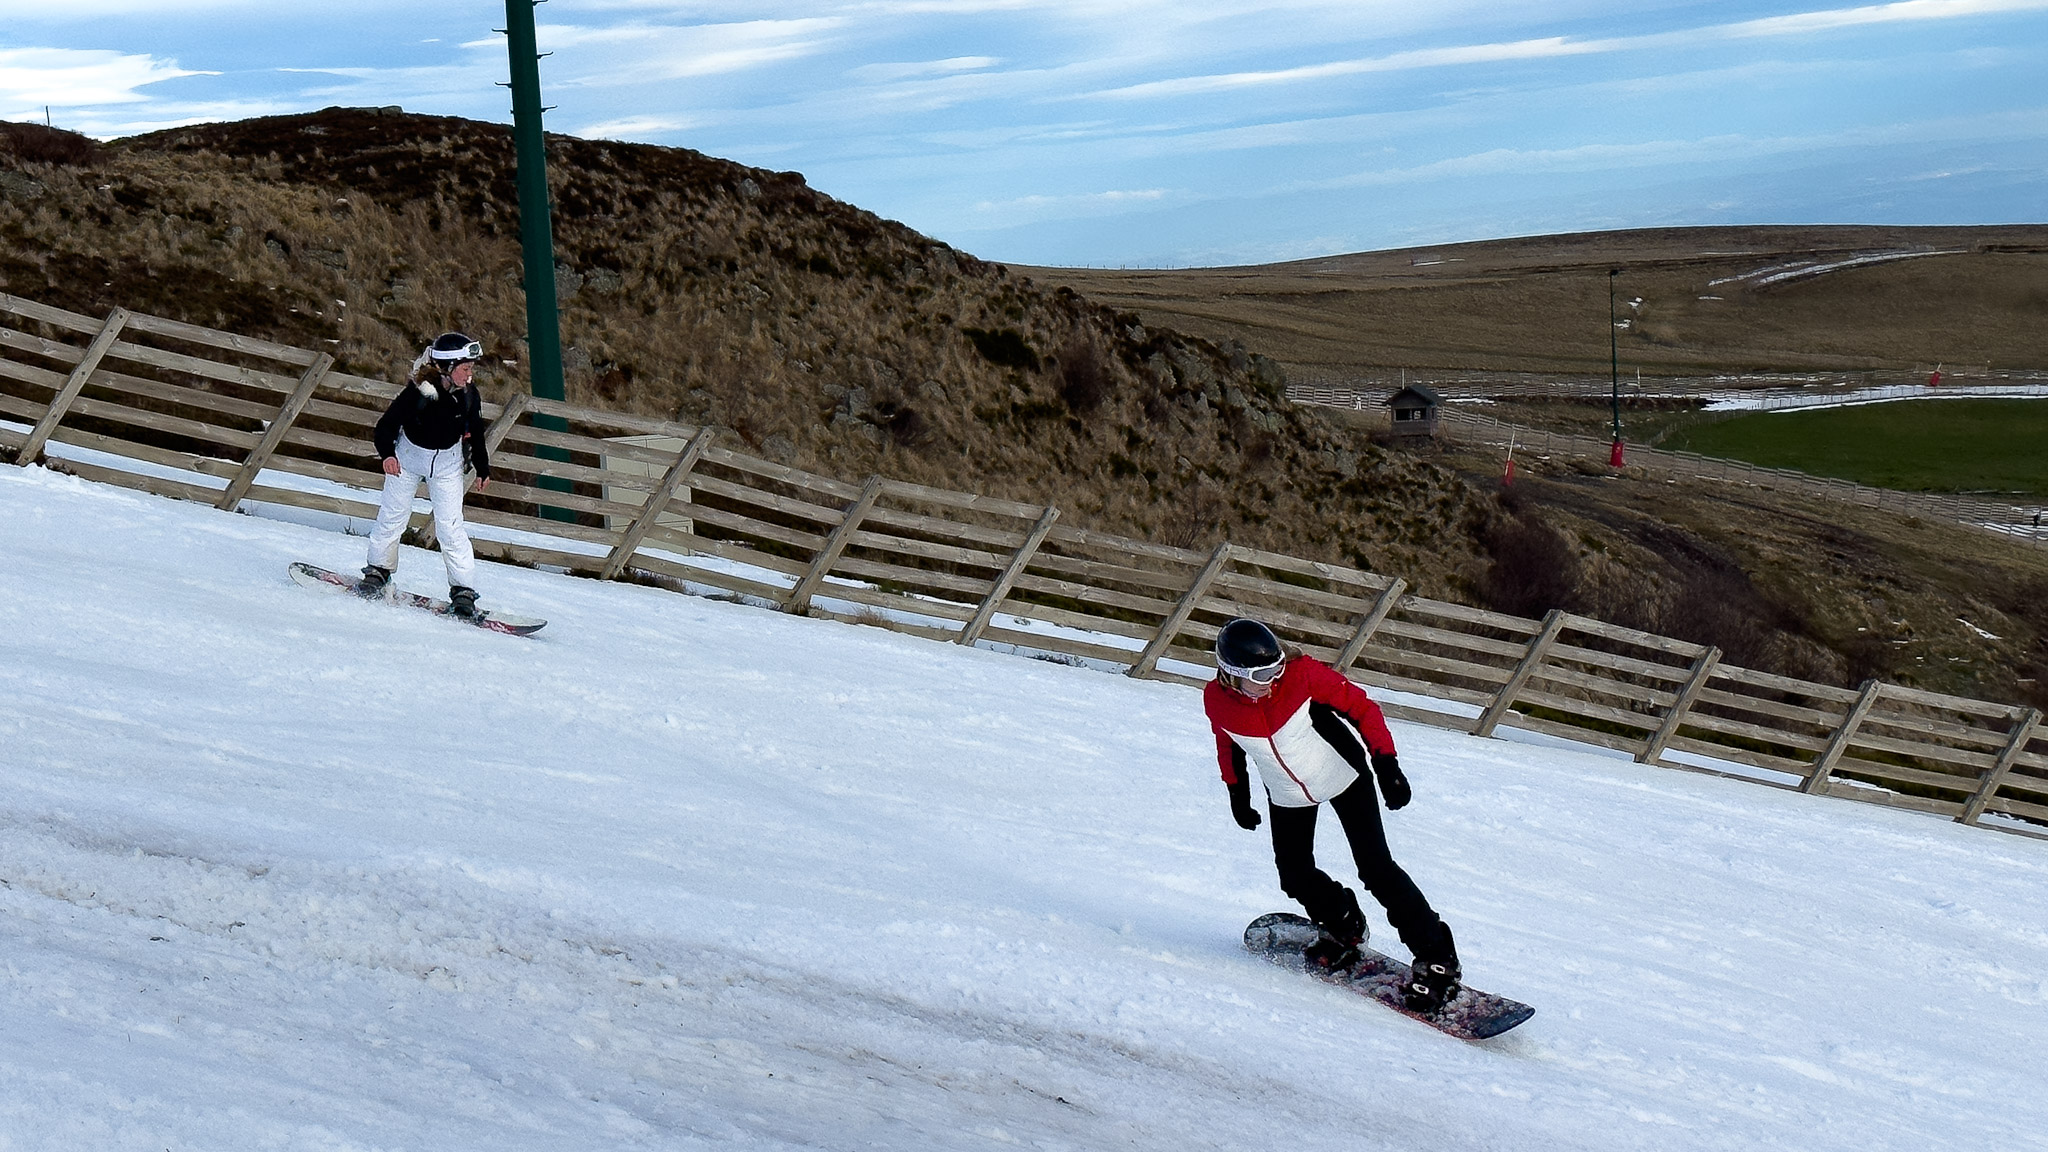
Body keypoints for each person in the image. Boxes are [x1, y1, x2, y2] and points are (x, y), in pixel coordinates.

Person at [1202, 617, 1463, 1012]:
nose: (1273, 679)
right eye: (1261, 674)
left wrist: (1386, 763)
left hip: (1342, 775)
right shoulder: (1215, 699)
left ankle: (1438, 958)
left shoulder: (1304, 675)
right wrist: (1237, 791)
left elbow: (1362, 709)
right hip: (1288, 791)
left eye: (1276, 668)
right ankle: (1345, 926)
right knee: (1294, 875)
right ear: (1231, 675)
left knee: (1377, 869)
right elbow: (1228, 742)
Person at [361, 332, 492, 617]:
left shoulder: (469, 395)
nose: (470, 374)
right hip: (407, 459)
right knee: (393, 515)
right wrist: (388, 455)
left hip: (447, 464)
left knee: (451, 527)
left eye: (471, 368)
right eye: (465, 368)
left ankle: (463, 591)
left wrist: (483, 468)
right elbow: (386, 425)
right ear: (447, 366)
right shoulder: (419, 392)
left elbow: (477, 433)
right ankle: (378, 571)